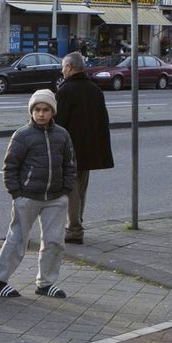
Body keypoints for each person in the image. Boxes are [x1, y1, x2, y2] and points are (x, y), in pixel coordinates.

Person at [0, 89, 76, 299]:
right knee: (17, 239)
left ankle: (46, 283)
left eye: (46, 110)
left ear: (52, 111)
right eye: (37, 109)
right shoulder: (22, 135)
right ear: (31, 111)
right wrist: (17, 193)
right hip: (27, 197)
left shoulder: (62, 135)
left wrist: (65, 190)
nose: (41, 114)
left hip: (55, 198)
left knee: (54, 241)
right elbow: (10, 166)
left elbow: (69, 163)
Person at [55, 52, 114, 244]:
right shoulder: (95, 90)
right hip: (89, 149)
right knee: (81, 189)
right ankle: (77, 222)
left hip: (71, 149)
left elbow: (58, 122)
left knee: (71, 189)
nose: (62, 71)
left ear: (70, 68)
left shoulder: (65, 91)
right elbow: (103, 120)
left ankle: (73, 230)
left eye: (63, 67)